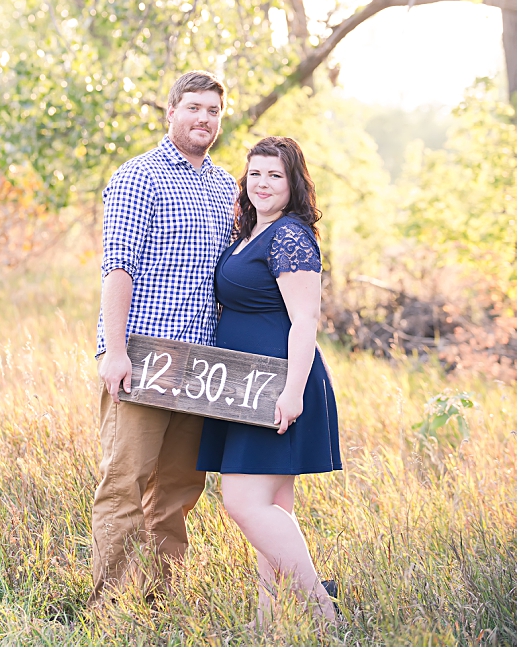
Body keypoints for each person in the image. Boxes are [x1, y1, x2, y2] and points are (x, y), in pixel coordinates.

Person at [90, 71, 240, 605]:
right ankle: (110, 607)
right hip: (144, 357)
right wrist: (114, 350)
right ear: (170, 111)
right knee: (124, 482)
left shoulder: (227, 188)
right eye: (194, 108)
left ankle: (159, 602)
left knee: (178, 489)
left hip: (199, 367)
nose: (204, 119)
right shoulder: (139, 177)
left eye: (214, 111)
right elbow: (118, 268)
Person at [196, 136, 342, 625]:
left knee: (242, 501)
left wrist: (292, 392)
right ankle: (270, 619)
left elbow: (305, 320)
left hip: (278, 384)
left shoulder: (290, 237)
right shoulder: (250, 232)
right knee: (274, 505)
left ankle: (324, 609)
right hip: (246, 384)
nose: (263, 183)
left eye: (275, 176)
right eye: (255, 173)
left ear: (293, 183)